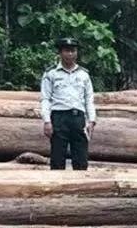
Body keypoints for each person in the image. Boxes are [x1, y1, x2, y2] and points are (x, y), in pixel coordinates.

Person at [39, 37, 96, 170]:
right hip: (59, 118)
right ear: (60, 53)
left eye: (73, 51)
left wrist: (92, 120)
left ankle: (82, 186)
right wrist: (47, 121)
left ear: (77, 53)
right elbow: (45, 99)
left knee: (81, 157)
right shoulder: (51, 73)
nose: (70, 54)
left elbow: (89, 99)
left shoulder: (84, 75)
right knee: (58, 157)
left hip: (78, 118)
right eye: (67, 51)